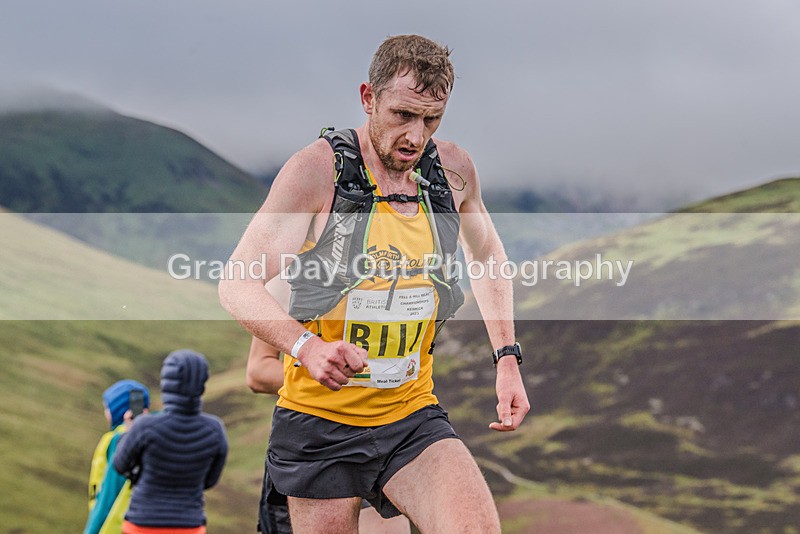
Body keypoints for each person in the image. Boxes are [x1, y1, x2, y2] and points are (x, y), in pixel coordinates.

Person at [219, 34, 529, 533]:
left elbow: (488, 255)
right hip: (321, 427)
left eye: (431, 119)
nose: (415, 136)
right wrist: (305, 348)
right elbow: (236, 284)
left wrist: (508, 358)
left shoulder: (452, 172)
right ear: (368, 98)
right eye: (402, 115)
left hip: (410, 415)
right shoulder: (316, 172)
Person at [247, 336, 411, 534]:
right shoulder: (287, 304)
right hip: (312, 443)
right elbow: (257, 370)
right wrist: (324, 375)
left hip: (387, 433)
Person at [113, 350, 228, 534]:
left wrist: (129, 432)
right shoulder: (215, 429)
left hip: (142, 523)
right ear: (201, 383)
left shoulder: (144, 426)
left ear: (166, 383)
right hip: (190, 525)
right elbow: (209, 481)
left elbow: (120, 465)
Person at [85, 379, 150, 534]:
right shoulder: (150, 436)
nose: (105, 412)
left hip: (113, 524)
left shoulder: (119, 440)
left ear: (118, 410)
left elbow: (109, 493)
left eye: (107, 407)